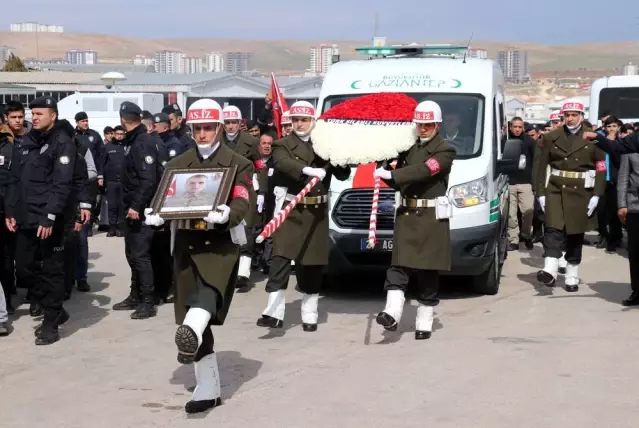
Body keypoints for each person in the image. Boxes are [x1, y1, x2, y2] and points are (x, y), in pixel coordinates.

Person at [144, 98, 254, 414]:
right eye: (197, 128)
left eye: (208, 127)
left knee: (203, 304)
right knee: (196, 321)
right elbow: (164, 198)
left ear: (219, 127)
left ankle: (188, 334)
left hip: (219, 247)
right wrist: (157, 215)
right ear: (190, 129)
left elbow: (244, 198)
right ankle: (208, 389)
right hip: (187, 246)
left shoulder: (237, 163)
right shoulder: (177, 164)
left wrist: (228, 214)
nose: (203, 134)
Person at [256, 101, 351, 331]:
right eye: (296, 120)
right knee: (280, 257)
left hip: (316, 212)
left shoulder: (324, 145)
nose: (300, 124)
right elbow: (283, 163)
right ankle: (273, 311)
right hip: (292, 210)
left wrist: (339, 154)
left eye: (304, 120)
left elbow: (343, 173)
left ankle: (309, 312)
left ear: (313, 122)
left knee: (311, 265)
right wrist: (307, 170)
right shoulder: (282, 145)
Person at [372, 101, 456, 340]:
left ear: (438, 125)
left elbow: (424, 170)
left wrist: (393, 174)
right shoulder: (407, 147)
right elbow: (399, 179)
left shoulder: (446, 151)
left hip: (431, 217)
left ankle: (425, 321)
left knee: (429, 271)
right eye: (420, 124)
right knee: (398, 266)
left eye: (428, 124)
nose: (423, 128)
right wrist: (383, 166)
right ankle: (392, 313)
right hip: (407, 215)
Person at [6, 96, 77, 345]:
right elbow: (14, 180)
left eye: (39, 113)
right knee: (24, 268)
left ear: (53, 116)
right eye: (32, 113)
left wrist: (49, 217)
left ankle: (51, 322)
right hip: (26, 217)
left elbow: (62, 184)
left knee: (52, 270)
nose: (33, 117)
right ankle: (56, 309)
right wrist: (10, 211)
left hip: (49, 220)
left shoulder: (62, 143)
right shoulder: (24, 143)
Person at [533, 101, 606, 292]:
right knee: (553, 228)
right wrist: (540, 192)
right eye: (567, 115)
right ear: (562, 116)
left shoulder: (592, 137)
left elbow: (600, 166)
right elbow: (540, 167)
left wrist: (597, 194)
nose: (570, 118)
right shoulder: (551, 137)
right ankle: (549, 270)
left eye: (574, 115)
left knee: (575, 234)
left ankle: (572, 274)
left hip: (582, 191)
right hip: (556, 188)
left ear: (581, 116)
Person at [111, 102, 160, 319]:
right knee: (132, 255)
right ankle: (135, 294)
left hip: (139, 210)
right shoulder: (133, 141)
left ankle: (148, 301)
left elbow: (148, 180)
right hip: (130, 208)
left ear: (123, 120)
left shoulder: (142, 142)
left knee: (140, 256)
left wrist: (136, 206)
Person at [221, 105, 261, 290]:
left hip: (245, 188)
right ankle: (228, 270)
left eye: (233, 123)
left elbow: (260, 166)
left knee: (247, 230)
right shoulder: (216, 140)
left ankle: (243, 273)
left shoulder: (251, 142)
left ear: (240, 123)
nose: (230, 126)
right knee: (225, 230)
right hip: (222, 191)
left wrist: (261, 191)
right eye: (227, 123)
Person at [616, 152, 639, 306]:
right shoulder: (630, 150)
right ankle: (637, 290)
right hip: (635, 205)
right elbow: (623, 179)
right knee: (636, 250)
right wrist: (622, 204)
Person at [101, 126, 126, 237]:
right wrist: (100, 177)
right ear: (114, 134)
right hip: (110, 180)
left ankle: (121, 228)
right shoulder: (107, 147)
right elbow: (101, 162)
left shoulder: (127, 147)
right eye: (117, 134)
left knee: (122, 205)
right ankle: (112, 228)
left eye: (121, 134)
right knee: (112, 205)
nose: (119, 136)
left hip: (124, 181)